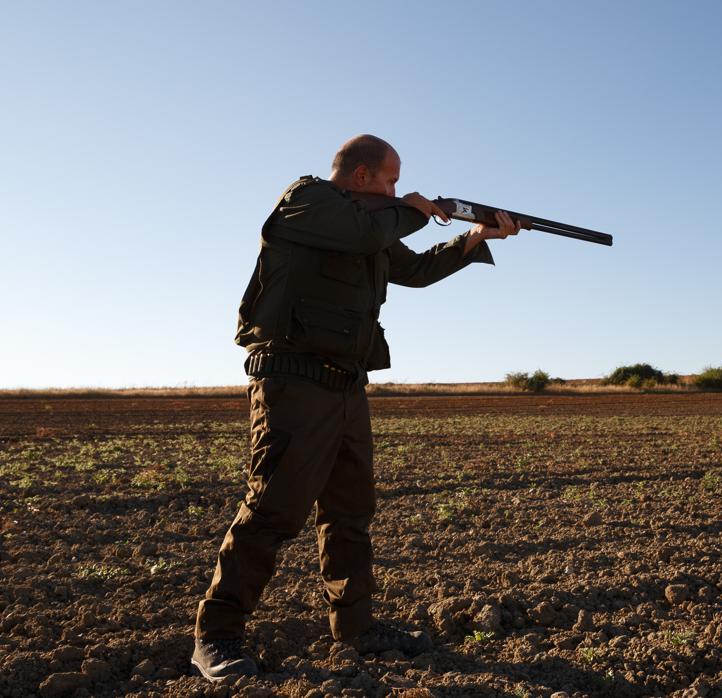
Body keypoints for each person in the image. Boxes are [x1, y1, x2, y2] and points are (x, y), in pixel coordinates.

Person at [191, 134, 520, 681]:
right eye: (390, 180)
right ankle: (217, 636)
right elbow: (365, 230)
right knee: (274, 506)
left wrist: (473, 237)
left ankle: (357, 628)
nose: (397, 189)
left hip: (346, 384)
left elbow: (410, 270)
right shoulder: (308, 201)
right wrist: (411, 208)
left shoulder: (371, 227)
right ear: (363, 176)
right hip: (292, 380)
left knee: (350, 512)